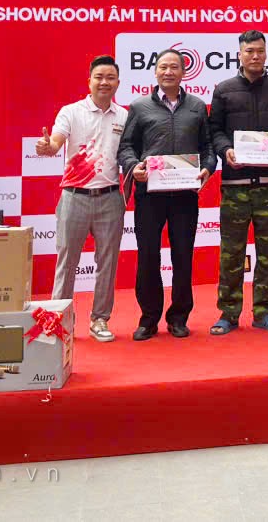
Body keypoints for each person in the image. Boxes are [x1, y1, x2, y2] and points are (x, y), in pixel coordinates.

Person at [207, 30, 268, 335]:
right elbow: (214, 130)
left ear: (266, 54)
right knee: (231, 252)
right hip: (235, 185)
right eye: (249, 51)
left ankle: (264, 312)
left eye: (260, 51)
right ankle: (228, 313)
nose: (255, 56)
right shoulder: (224, 90)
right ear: (240, 54)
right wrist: (225, 150)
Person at [118, 49, 216, 341]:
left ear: (184, 72)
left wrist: (208, 168)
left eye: (174, 67)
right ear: (155, 71)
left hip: (185, 194)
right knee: (148, 256)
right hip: (150, 194)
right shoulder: (139, 106)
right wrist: (133, 166)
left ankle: (179, 317)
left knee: (183, 256)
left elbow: (208, 148)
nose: (168, 72)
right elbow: (126, 147)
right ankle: (149, 319)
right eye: (163, 67)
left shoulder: (197, 106)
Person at [35, 55, 127, 342]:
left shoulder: (125, 116)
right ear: (89, 81)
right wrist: (48, 147)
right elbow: (56, 142)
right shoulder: (71, 112)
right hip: (74, 197)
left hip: (110, 197)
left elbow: (129, 153)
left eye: (110, 77)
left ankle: (100, 319)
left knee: (107, 263)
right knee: (67, 261)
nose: (104, 82)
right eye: (99, 77)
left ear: (118, 83)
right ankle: (60, 321)